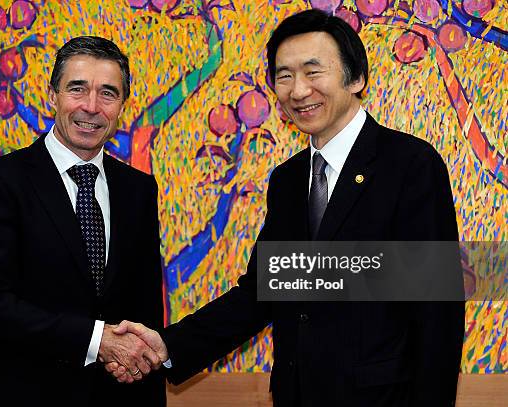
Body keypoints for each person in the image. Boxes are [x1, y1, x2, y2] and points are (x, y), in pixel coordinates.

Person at [107, 9, 464, 406]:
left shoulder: (410, 164)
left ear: (357, 78)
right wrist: (166, 345)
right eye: (284, 75)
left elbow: (437, 311)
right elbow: (263, 290)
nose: (298, 91)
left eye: (313, 72)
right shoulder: (288, 179)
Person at [0, 36, 166, 406]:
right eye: (77, 89)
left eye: (108, 93)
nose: (91, 107)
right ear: (52, 95)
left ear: (122, 105)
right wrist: (96, 340)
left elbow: (145, 313)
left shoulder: (139, 190)